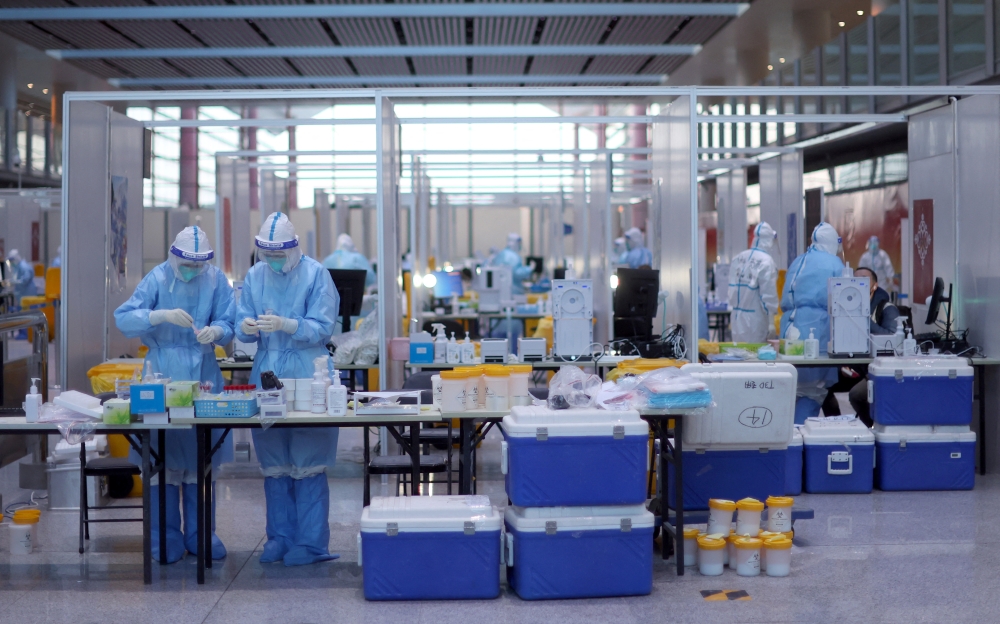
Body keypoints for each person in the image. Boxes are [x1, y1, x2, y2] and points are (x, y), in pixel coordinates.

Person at [114, 226, 234, 563]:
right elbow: (123, 318)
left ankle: (201, 535)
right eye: (187, 264)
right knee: (161, 462)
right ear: (174, 257)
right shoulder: (156, 279)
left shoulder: (215, 280)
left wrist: (218, 330)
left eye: (200, 264)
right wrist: (157, 315)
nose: (193, 270)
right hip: (161, 372)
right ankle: (164, 539)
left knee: (200, 461)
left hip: (205, 374)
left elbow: (230, 320)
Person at [236, 212, 340, 567]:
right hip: (267, 369)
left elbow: (323, 326)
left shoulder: (316, 275)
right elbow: (240, 322)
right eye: (268, 255)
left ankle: (310, 543)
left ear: (294, 250)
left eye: (279, 255)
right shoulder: (254, 275)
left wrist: (288, 324)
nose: (273, 261)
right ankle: (279, 538)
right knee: (275, 463)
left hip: (308, 369)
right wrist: (247, 326)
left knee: (307, 460)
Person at [780, 222, 845, 423]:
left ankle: (785, 439)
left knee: (795, 390)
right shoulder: (834, 264)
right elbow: (843, 303)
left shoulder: (798, 261)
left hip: (789, 331)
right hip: (815, 330)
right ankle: (798, 443)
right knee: (813, 391)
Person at [848, 267, 900, 426]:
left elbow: (892, 338)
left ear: (875, 285)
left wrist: (864, 320)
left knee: (857, 394)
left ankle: (872, 428)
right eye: (855, 279)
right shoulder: (848, 309)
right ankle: (835, 429)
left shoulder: (887, 308)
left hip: (882, 368)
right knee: (824, 385)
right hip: (856, 366)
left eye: (864, 279)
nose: (859, 283)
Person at [727, 222, 779, 343]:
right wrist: (771, 321)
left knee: (739, 356)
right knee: (755, 358)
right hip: (755, 320)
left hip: (736, 318)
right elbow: (768, 294)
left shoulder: (738, 258)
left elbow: (731, 289)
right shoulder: (766, 262)